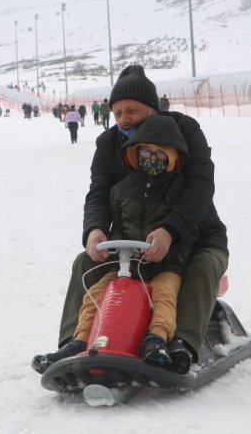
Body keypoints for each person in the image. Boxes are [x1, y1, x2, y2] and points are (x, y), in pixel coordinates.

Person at [33, 64, 228, 375]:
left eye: (132, 111)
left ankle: (180, 344)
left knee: (200, 267)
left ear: (152, 109)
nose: (123, 120)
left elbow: (200, 188)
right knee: (85, 263)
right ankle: (74, 343)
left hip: (195, 237)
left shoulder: (184, 132)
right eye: (118, 112)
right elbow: (99, 192)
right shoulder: (109, 145)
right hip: (131, 241)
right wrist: (95, 229)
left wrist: (170, 231)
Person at [54, 115, 195, 370]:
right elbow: (117, 225)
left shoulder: (181, 189)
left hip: (165, 265)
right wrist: (107, 242)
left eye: (160, 154)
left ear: (173, 157)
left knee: (164, 294)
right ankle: (80, 340)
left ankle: (157, 339)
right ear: (135, 154)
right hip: (125, 264)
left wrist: (168, 247)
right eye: (146, 152)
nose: (152, 159)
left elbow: (187, 230)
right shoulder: (121, 190)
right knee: (97, 293)